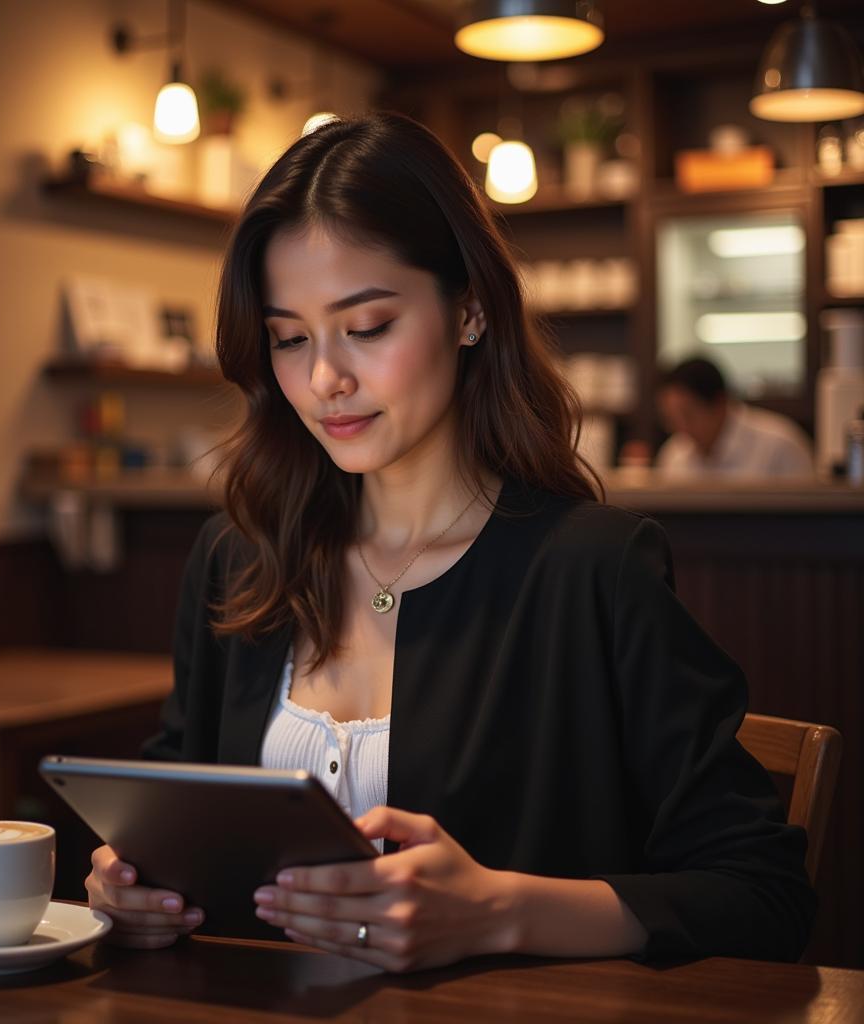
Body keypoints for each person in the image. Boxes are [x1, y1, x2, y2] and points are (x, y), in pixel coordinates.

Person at [85, 112, 814, 972]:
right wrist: (128, 883)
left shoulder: (592, 572)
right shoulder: (237, 559)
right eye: (289, 339)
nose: (325, 379)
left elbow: (763, 895)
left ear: (468, 310)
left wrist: (501, 912)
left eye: (367, 326)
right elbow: (174, 802)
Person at [656, 357, 814, 478]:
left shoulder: (780, 446)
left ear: (719, 403)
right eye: (672, 419)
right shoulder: (674, 454)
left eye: (688, 416)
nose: (679, 428)